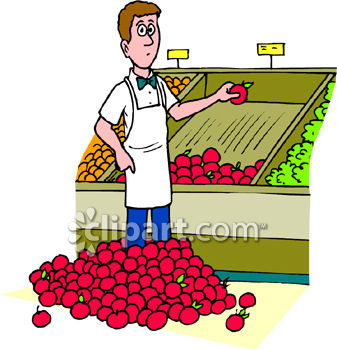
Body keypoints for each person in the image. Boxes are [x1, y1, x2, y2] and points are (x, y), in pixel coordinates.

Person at [94, 1, 239, 248]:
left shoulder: (160, 85)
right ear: (126, 47)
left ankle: (165, 271)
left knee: (163, 236)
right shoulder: (123, 91)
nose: (150, 38)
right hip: (137, 172)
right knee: (136, 233)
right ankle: (133, 275)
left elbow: (179, 111)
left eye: (153, 28)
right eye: (142, 30)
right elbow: (102, 126)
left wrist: (216, 97)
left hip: (160, 173)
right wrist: (120, 152)